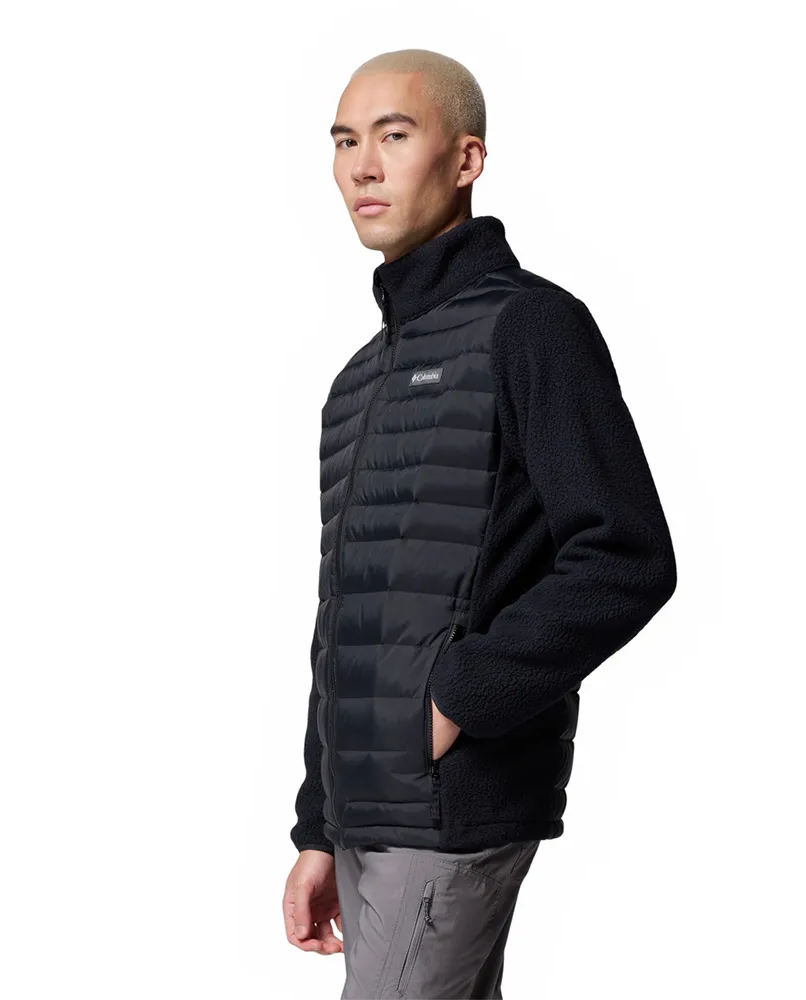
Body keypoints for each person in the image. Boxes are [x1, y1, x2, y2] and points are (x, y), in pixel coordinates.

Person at [281, 48, 677, 999]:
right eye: (344, 141)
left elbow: (625, 555)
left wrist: (457, 700)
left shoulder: (530, 328)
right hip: (371, 807)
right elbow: (348, 617)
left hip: (451, 799)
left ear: (466, 159)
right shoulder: (358, 381)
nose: (362, 166)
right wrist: (319, 825)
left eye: (394, 135)